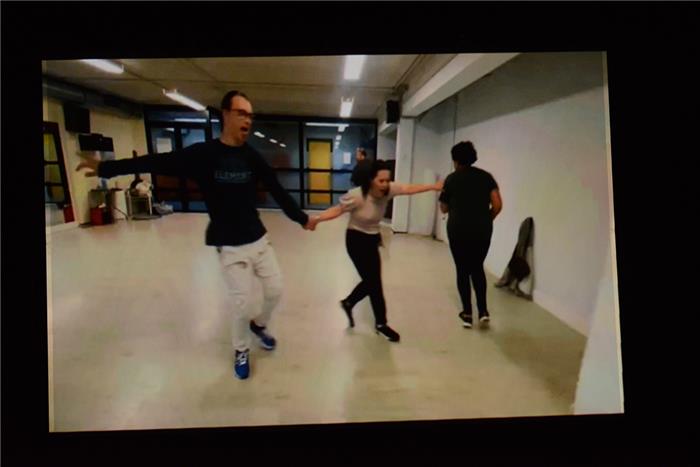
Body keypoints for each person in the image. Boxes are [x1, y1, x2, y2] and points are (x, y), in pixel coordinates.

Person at [76, 90, 315, 380]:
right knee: (241, 305)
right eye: (241, 113)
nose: (248, 120)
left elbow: (277, 189)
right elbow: (157, 161)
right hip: (229, 244)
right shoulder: (204, 155)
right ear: (226, 115)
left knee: (275, 290)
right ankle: (241, 349)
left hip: (258, 238)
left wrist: (302, 219)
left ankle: (259, 325)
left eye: (250, 115)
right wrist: (106, 167)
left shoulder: (252, 157)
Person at [307, 159, 443, 342]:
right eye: (381, 181)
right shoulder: (357, 196)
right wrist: (317, 219)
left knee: (372, 281)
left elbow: (408, 188)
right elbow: (337, 210)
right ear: (371, 180)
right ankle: (381, 324)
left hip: (372, 239)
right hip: (355, 240)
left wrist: (433, 187)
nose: (385, 184)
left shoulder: (389, 189)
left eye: (388, 180)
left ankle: (348, 302)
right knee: (374, 283)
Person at [439, 141, 503, 329]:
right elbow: (497, 204)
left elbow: (443, 208)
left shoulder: (451, 179)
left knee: (462, 270)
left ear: (456, 160)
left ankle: (467, 313)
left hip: (458, 230)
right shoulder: (486, 177)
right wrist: (487, 219)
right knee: (477, 267)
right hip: (482, 231)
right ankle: (483, 311)